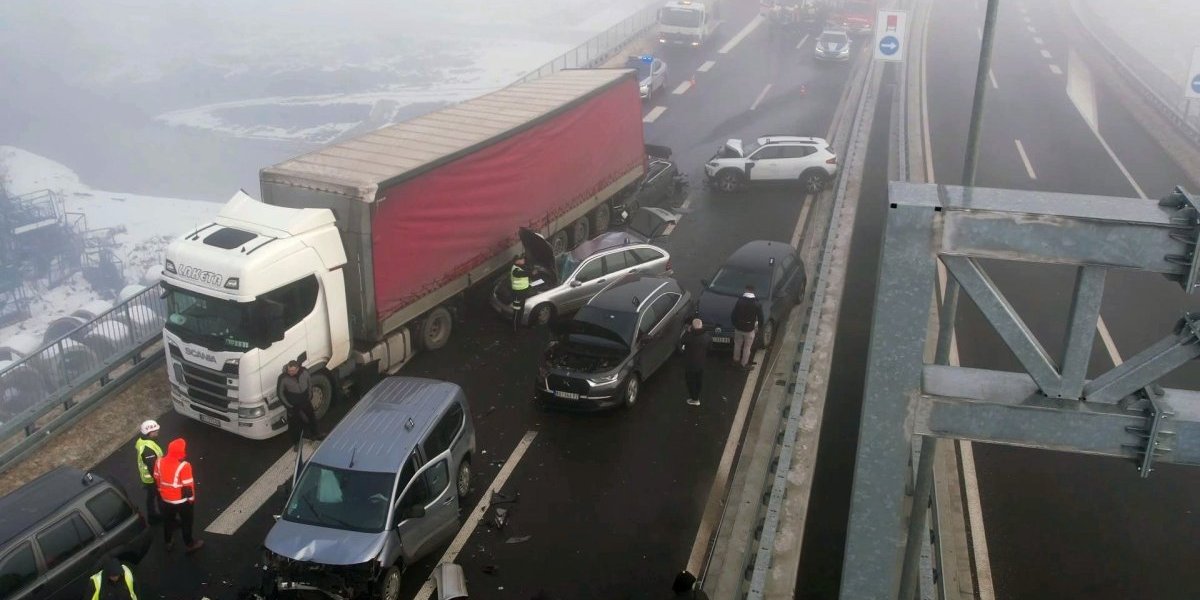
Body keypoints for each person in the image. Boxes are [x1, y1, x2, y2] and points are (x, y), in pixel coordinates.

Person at [154, 438, 204, 553]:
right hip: (181, 502)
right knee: (186, 523)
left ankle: (168, 541)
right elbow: (188, 486)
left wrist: (160, 491)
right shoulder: (184, 466)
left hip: (165, 500)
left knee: (168, 521)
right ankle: (190, 544)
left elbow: (157, 478)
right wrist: (191, 500)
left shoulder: (159, 461)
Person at [277, 361, 323, 443]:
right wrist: (289, 406)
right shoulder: (283, 378)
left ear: (297, 369)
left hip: (305, 400)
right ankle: (296, 443)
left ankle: (316, 434)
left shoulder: (304, 371)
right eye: (289, 370)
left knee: (312, 417)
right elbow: (280, 393)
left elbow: (309, 382)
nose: (290, 372)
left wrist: (310, 395)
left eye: (292, 370)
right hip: (293, 405)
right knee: (294, 425)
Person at [730, 284, 765, 369]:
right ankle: (744, 364)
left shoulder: (739, 301)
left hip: (738, 327)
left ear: (746, 290)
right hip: (749, 329)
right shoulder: (757, 304)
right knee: (747, 347)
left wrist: (735, 324)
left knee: (737, 345)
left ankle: (736, 360)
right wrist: (759, 327)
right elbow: (761, 317)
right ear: (753, 291)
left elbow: (733, 315)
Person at [134, 420, 163, 523]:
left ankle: (152, 516)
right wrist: (159, 481)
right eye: (155, 431)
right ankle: (163, 518)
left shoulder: (142, 441)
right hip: (152, 479)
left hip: (148, 478)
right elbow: (152, 467)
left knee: (151, 496)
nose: (157, 433)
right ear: (149, 433)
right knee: (160, 498)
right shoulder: (148, 448)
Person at [680, 318, 711, 406]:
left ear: (692, 327)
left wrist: (688, 331)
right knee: (698, 380)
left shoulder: (689, 337)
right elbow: (709, 348)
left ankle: (694, 399)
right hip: (700, 363)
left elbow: (682, 341)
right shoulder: (707, 336)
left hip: (690, 363)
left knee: (690, 381)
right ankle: (697, 395)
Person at [509, 254, 532, 331]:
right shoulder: (515, 270)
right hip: (517, 293)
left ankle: (519, 325)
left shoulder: (522, 267)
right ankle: (515, 329)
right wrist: (531, 273)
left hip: (523, 292)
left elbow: (526, 271)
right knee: (517, 311)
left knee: (521, 310)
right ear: (517, 261)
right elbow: (523, 274)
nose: (524, 260)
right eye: (522, 259)